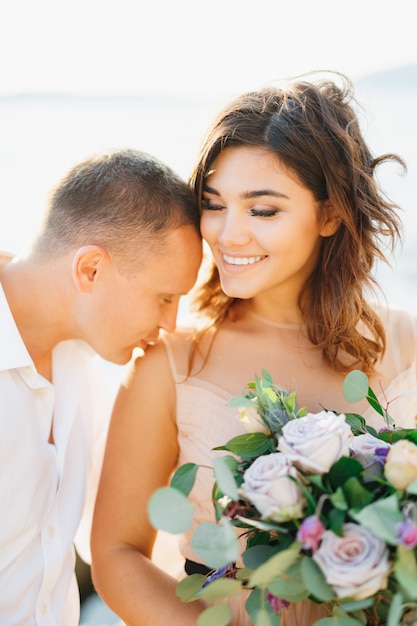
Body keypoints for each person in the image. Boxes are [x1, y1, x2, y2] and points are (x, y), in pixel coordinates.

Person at [90, 74, 417, 626]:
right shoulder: (171, 366)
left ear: (331, 214)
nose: (227, 234)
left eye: (262, 211)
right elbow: (117, 555)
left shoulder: (406, 344)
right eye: (213, 204)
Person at [0, 147, 202, 626]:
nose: (171, 324)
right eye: (165, 297)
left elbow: (114, 535)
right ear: (90, 269)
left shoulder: (82, 368)